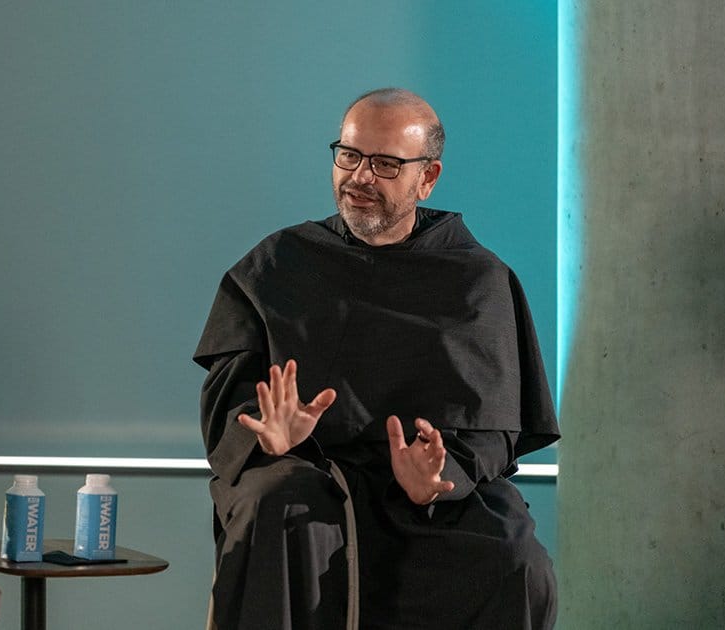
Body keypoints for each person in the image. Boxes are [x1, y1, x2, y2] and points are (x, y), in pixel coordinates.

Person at [194, 88, 560, 630]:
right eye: (349, 156)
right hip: (306, 472)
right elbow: (235, 397)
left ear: (427, 178)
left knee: (511, 556)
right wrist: (267, 434)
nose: (361, 177)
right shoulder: (279, 263)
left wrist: (441, 476)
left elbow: (498, 424)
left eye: (386, 164)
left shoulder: (478, 279)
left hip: (425, 493)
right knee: (279, 503)